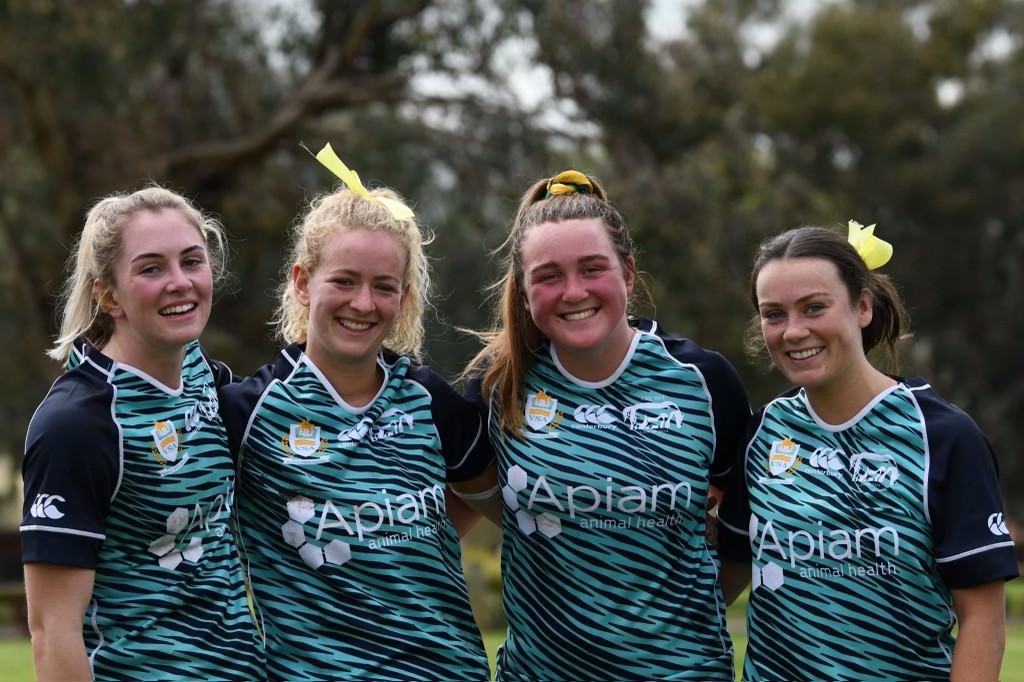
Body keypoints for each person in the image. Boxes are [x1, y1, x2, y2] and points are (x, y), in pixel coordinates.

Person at [462, 170, 751, 681]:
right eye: (549, 276)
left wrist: (668, 618)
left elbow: (743, 532)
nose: (574, 292)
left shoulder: (704, 382)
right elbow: (444, 515)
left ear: (628, 274)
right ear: (525, 291)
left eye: (592, 269)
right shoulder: (497, 383)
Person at [219, 145, 494, 681]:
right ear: (302, 282)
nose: (363, 303)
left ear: (404, 296)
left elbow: (493, 498)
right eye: (344, 281)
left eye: (383, 286)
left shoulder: (429, 400)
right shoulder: (248, 413)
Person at [717, 222, 1019, 681]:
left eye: (814, 307)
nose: (793, 331)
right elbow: (726, 570)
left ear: (862, 306)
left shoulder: (943, 437)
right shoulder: (763, 432)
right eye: (773, 314)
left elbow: (983, 617)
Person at [21, 186, 266, 681]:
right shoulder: (77, 424)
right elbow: (52, 631)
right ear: (107, 294)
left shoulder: (202, 375)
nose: (180, 282)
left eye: (191, 262)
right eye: (151, 268)